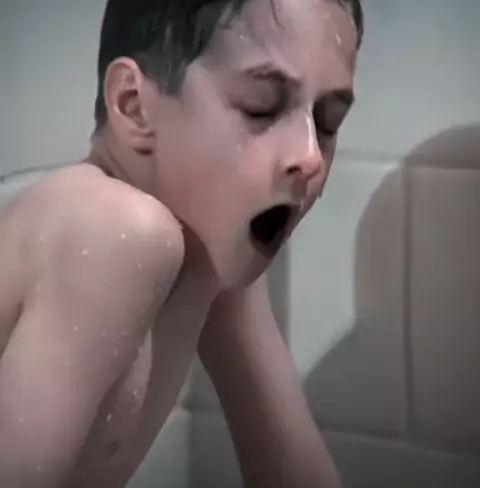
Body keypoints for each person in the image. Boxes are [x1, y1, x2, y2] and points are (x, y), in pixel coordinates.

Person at [0, 0, 363, 486]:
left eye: (328, 123)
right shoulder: (114, 231)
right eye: (261, 107)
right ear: (133, 104)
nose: (311, 156)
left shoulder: (212, 255)